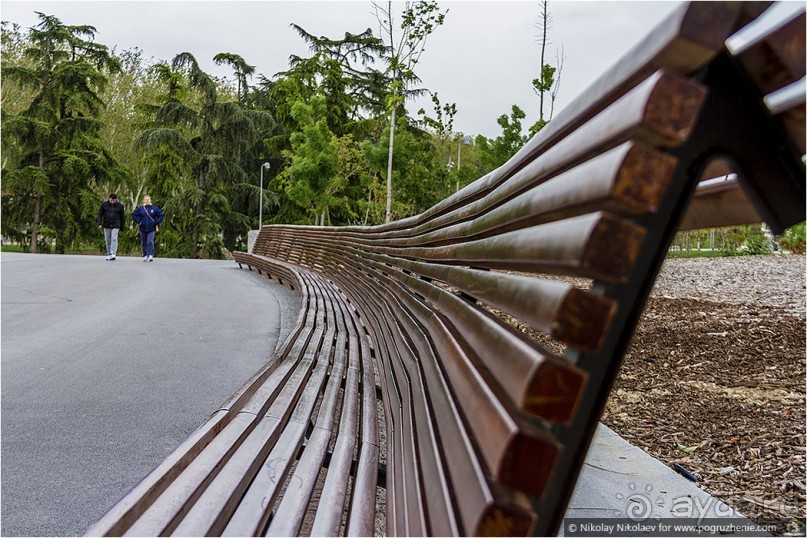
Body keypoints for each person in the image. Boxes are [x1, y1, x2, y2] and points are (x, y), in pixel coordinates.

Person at [131, 195, 164, 262]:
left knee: (150, 241)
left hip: (152, 228)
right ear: (143, 201)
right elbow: (133, 214)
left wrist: (156, 222)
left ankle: (151, 255)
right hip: (142, 228)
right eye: (145, 199)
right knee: (144, 242)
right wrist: (139, 222)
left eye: (148, 199)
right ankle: (145, 255)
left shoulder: (154, 208)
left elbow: (161, 215)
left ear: (150, 200)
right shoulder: (140, 208)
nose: (147, 201)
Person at [97, 193, 125, 261]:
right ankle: (108, 253)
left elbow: (122, 217)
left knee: (114, 238)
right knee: (107, 240)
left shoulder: (120, 206)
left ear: (116, 199)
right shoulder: (104, 205)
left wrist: (122, 227)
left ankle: (113, 253)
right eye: (111, 200)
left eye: (114, 200)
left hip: (116, 225)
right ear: (109, 199)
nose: (112, 201)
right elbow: (100, 214)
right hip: (106, 224)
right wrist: (99, 223)